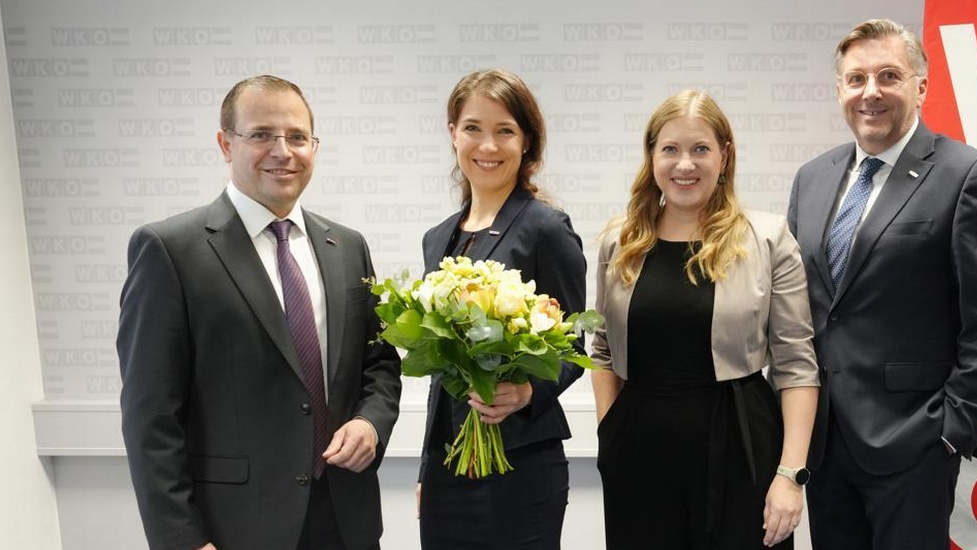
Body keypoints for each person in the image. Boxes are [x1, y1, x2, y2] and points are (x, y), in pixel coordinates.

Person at [117, 75, 402, 550]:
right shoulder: (169, 250)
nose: (282, 151)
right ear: (225, 144)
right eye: (261, 134)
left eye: (297, 137)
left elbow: (380, 363)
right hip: (234, 530)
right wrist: (182, 540)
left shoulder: (347, 246)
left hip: (347, 520)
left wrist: (370, 422)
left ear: (315, 145)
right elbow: (150, 416)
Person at [786, 19, 977, 549]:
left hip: (914, 442)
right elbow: (806, 306)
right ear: (840, 90)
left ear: (920, 86)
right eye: (856, 79)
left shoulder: (967, 176)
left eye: (888, 76)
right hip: (823, 442)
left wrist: (950, 430)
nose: (871, 92)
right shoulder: (812, 178)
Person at [590, 90, 820, 549]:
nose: (684, 165)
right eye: (670, 149)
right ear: (651, 156)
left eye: (700, 149)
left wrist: (790, 476)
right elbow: (602, 350)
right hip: (638, 455)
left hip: (741, 450)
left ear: (725, 156)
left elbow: (797, 364)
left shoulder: (768, 238)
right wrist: (610, 433)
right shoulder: (620, 241)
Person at [416, 68, 587, 550]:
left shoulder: (546, 228)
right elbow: (442, 371)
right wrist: (429, 469)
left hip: (522, 464)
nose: (487, 146)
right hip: (450, 468)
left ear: (527, 141)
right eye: (473, 128)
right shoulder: (437, 238)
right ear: (453, 134)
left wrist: (528, 390)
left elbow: (574, 341)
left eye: (504, 131)